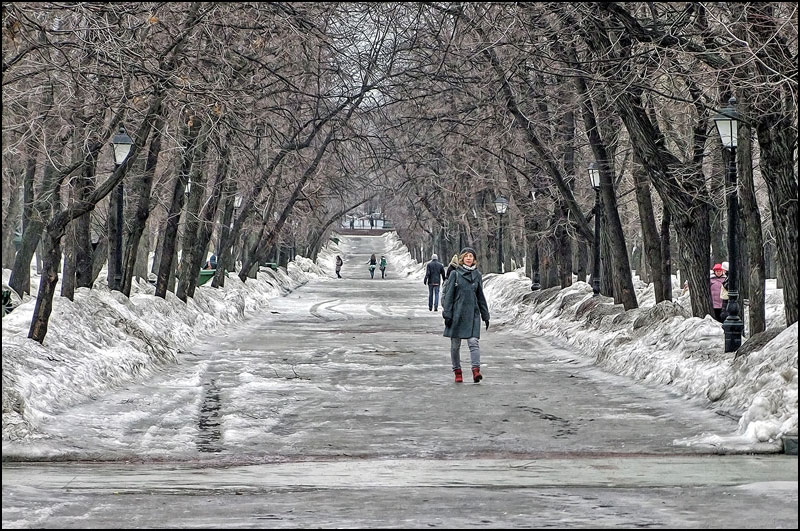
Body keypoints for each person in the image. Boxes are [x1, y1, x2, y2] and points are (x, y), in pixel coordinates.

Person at [442, 247, 490, 383]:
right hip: (457, 315)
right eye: (467, 256)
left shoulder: (477, 275)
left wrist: (485, 315)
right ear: (462, 258)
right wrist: (447, 314)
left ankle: (476, 371)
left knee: (473, 342)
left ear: (474, 259)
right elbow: (449, 296)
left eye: (471, 256)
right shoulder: (455, 274)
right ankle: (457, 371)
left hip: (472, 314)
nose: (469, 258)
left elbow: (481, 296)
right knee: (455, 345)